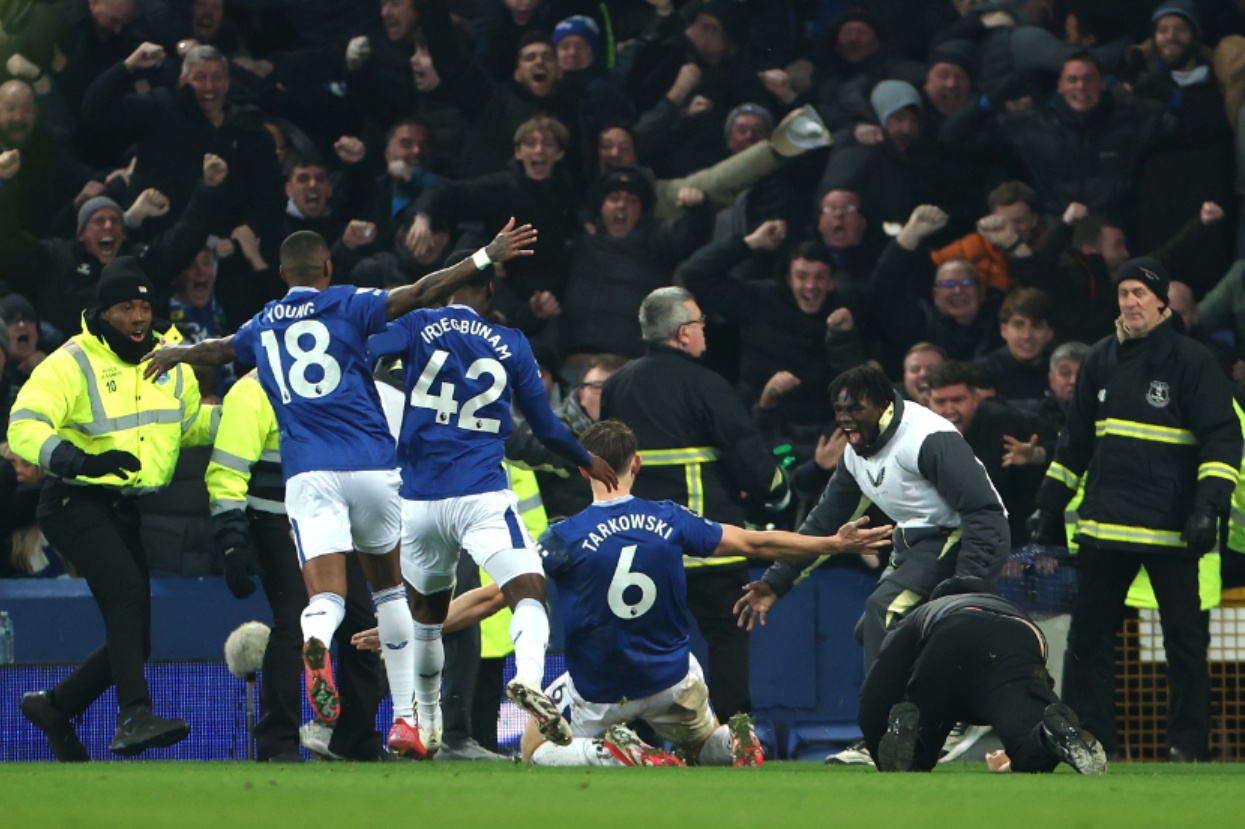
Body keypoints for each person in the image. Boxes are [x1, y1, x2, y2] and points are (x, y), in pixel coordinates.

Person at [142, 219, 539, 759]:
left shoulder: (264, 323)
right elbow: (423, 291)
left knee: (325, 596)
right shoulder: (351, 303)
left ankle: (315, 640)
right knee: (391, 594)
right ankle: (405, 720)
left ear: (282, 273)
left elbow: (221, 349)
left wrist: (176, 354)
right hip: (376, 470)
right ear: (327, 268)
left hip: (310, 476)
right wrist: (485, 257)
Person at [365, 245, 620, 760]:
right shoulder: (510, 342)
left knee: (428, 620)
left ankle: (424, 723)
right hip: (479, 494)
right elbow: (544, 426)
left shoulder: (416, 324)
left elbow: (366, 348)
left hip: (418, 503)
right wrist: (583, 458)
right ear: (487, 293)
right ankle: (529, 681)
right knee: (529, 590)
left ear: (441, 284)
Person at [522, 418, 893, 768]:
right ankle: (730, 742)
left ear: (582, 468)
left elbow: (503, 593)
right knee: (700, 743)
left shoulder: (563, 537)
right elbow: (755, 543)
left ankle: (607, 751)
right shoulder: (670, 518)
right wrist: (831, 542)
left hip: (600, 688)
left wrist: (461, 611)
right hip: (670, 679)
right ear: (636, 464)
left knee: (533, 748)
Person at [736, 364, 1010, 765]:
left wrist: (969, 584)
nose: (845, 418)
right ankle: (952, 709)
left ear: (884, 405)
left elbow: (986, 512)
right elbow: (824, 523)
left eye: (855, 408)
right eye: (839, 408)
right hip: (913, 543)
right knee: (872, 630)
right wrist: (776, 581)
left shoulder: (927, 438)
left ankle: (885, 735)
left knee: (885, 610)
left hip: (959, 538)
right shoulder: (854, 454)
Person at [1029, 256, 1242, 763]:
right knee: (1087, 642)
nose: (1130, 301)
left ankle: (1187, 747)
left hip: (1172, 533)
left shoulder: (1193, 362)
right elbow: (1074, 444)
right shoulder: (1100, 359)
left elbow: (1221, 440)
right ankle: (1096, 742)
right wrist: (1048, 504)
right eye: (1124, 293)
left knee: (1186, 646)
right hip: (1106, 528)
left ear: (1163, 302)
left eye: (1140, 293)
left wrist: (1206, 509)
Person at [9, 257, 217, 760]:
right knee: (126, 592)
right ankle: (133, 715)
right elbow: (23, 426)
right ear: (103, 312)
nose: (138, 317)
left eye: (145, 306)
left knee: (136, 640)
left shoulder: (171, 361)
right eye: (126, 307)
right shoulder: (70, 361)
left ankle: (57, 706)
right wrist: (83, 460)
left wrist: (252, 416)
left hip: (125, 509)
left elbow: (188, 428)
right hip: (71, 499)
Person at [602, 287, 790, 722]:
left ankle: (643, 739)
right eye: (701, 324)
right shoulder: (706, 384)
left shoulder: (616, 386)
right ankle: (733, 731)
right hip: (709, 545)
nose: (706, 332)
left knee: (643, 643)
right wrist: (779, 493)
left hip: (639, 548)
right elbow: (747, 455)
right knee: (727, 635)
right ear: (684, 333)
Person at [205, 370, 385, 763]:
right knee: (293, 619)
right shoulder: (252, 390)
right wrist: (233, 540)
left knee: (358, 623)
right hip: (273, 518)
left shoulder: (338, 379)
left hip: (329, 517)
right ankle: (277, 742)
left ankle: (354, 739)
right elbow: (227, 471)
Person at [861, 576, 1107, 775]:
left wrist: (877, 735)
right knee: (1030, 751)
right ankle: (1049, 735)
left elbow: (877, 691)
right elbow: (1037, 680)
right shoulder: (1015, 613)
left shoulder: (924, 612)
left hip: (945, 645)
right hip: (1013, 640)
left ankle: (910, 745)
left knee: (917, 754)